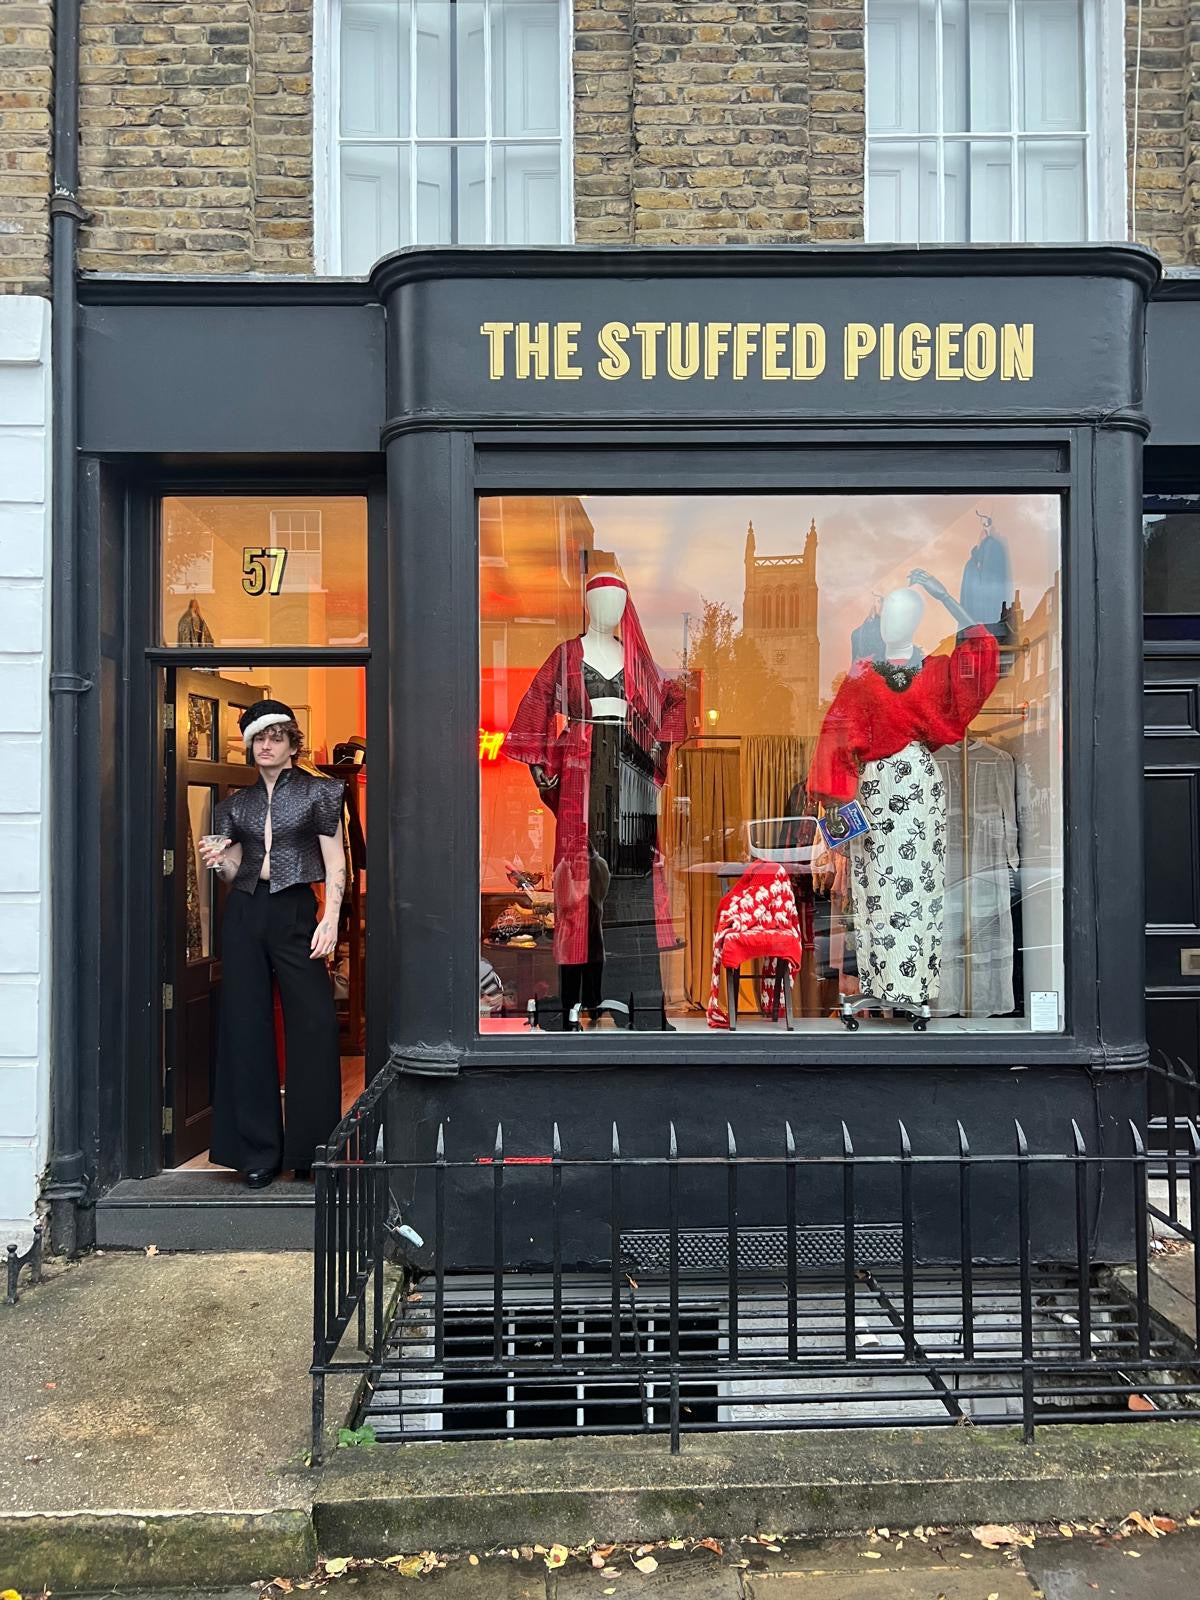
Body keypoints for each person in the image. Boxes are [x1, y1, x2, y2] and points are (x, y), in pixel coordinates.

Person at [198, 698, 345, 1188]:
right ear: (250, 746)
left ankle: (312, 1149)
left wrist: (331, 917)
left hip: (296, 909)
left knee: (315, 1022)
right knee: (246, 1025)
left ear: (291, 744)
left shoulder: (319, 792)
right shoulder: (233, 805)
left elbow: (336, 861)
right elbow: (235, 872)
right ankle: (257, 1152)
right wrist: (219, 861)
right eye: (259, 738)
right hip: (245, 910)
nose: (266, 746)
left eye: (275, 737)